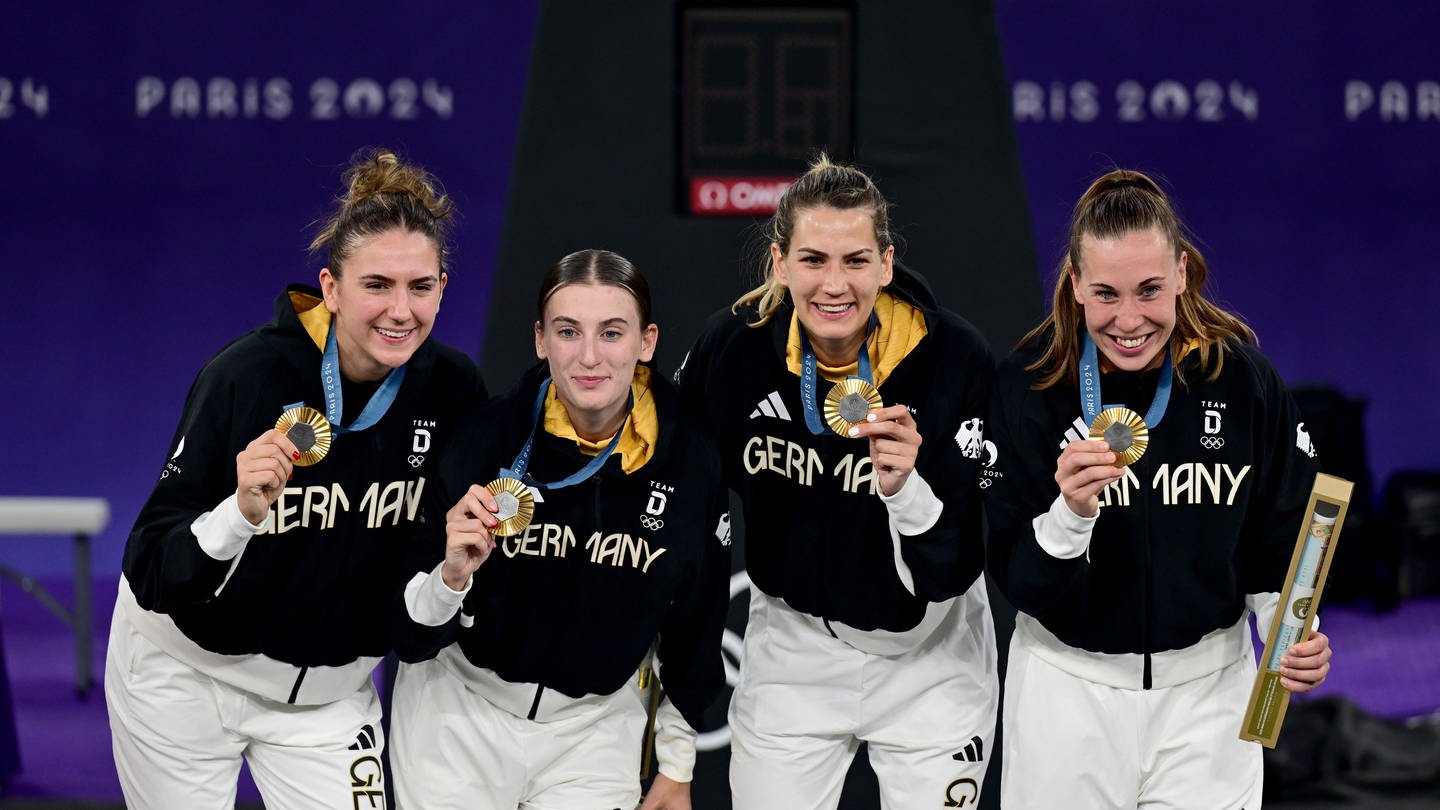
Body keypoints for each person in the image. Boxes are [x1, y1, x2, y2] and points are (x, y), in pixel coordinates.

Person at [105, 148, 485, 809]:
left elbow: (418, 591)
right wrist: (240, 513)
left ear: (443, 288)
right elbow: (152, 568)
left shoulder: (454, 394)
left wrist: (453, 575)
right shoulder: (247, 378)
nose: (401, 311)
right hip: (185, 679)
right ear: (331, 289)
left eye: (420, 287)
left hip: (329, 701)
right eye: (377, 286)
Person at [984, 168, 1334, 809]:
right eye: (1106, 294)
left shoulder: (1243, 381)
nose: (1129, 320)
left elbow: (1279, 535)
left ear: (1181, 272)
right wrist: (1069, 515)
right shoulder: (1025, 387)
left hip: (1209, 700)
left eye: (1149, 290)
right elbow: (1019, 582)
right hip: (1066, 696)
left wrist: (1291, 634)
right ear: (1075, 288)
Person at [677, 156, 999, 809]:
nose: (834, 285)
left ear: (886, 263)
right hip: (792, 650)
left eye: (855, 261)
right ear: (779, 262)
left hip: (931, 656)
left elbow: (951, 568)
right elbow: (675, 499)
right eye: (813, 259)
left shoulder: (953, 361)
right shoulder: (734, 352)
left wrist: (909, 491)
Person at [388, 249, 730, 810]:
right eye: (568, 332)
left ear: (647, 343)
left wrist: (677, 764)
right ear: (541, 341)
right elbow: (409, 631)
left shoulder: (691, 463)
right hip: (456, 719)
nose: (589, 356)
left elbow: (697, 621)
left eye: (612, 333)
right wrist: (450, 577)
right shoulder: (484, 439)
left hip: (594, 731)